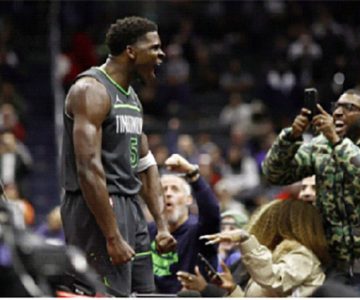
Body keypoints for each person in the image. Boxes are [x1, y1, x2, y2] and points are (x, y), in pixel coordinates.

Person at [60, 16, 176, 296]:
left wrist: (161, 225)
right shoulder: (91, 90)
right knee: (107, 294)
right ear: (131, 52)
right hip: (98, 207)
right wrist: (111, 235)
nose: (161, 55)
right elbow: (88, 168)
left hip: (130, 206)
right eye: (155, 48)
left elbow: (146, 163)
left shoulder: (132, 97)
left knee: (146, 292)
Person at [262, 88, 360, 292]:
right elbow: (274, 174)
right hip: (339, 264)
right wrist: (291, 138)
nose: (338, 112)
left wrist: (337, 142)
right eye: (337, 107)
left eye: (349, 108)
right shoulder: (321, 146)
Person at [190, 199, 330, 297]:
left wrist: (245, 239)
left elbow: (273, 279)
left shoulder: (301, 255)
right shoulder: (273, 257)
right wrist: (232, 289)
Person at [148, 153, 221, 294]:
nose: (168, 194)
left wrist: (192, 173)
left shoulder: (199, 231)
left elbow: (212, 212)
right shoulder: (148, 231)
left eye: (175, 189)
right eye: (163, 190)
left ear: (188, 199)